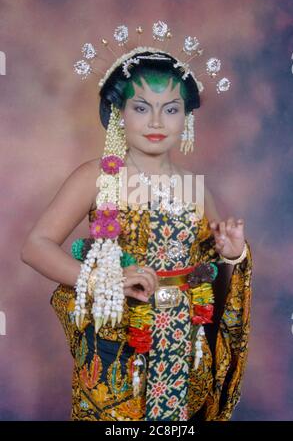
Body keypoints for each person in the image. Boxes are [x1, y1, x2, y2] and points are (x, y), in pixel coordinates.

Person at [21, 23, 252, 421]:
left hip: (184, 349)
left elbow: (214, 272)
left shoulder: (196, 188)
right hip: (118, 343)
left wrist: (233, 256)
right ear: (118, 113)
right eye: (141, 107)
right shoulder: (98, 176)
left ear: (187, 119)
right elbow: (36, 246)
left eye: (171, 109)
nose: (157, 121)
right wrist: (103, 281)